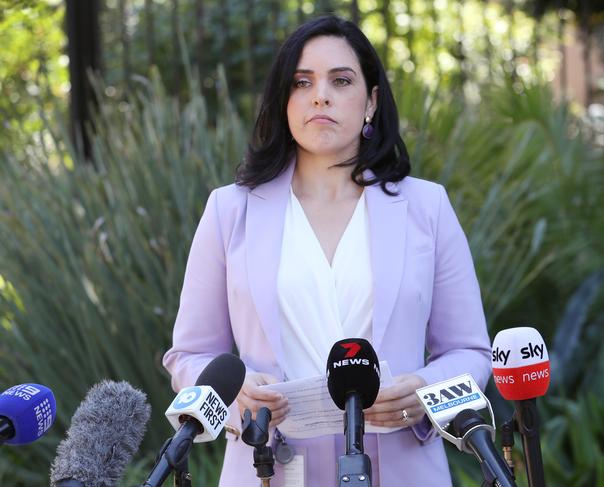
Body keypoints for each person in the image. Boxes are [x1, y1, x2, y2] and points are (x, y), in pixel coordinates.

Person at [163, 14, 491, 486]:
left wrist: (425, 391)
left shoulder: (426, 206)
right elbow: (190, 355)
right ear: (284, 101)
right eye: (302, 82)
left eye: (341, 80)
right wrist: (237, 398)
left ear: (371, 102)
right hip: (268, 469)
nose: (321, 95)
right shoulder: (229, 211)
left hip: (399, 468)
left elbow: (469, 350)